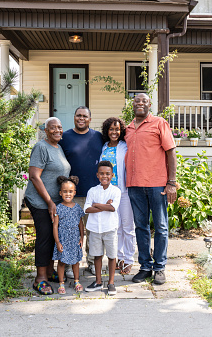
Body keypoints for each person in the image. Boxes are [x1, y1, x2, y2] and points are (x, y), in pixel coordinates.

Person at [125, 93, 177, 285]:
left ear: (149, 105)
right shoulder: (128, 128)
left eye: (144, 101)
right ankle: (145, 266)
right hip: (134, 185)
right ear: (133, 105)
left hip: (157, 185)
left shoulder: (159, 123)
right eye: (137, 101)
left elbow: (171, 152)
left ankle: (160, 267)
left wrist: (171, 182)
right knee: (140, 227)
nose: (140, 103)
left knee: (161, 227)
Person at [25, 117, 71, 295]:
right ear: (46, 130)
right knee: (45, 236)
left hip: (54, 201)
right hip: (40, 201)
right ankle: (40, 279)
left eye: (59, 127)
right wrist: (50, 203)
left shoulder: (58, 147)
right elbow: (34, 176)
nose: (57, 131)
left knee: (53, 236)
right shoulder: (41, 147)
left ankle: (50, 271)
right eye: (53, 128)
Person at [59, 106, 103, 276]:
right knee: (71, 230)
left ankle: (92, 262)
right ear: (74, 117)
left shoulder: (98, 137)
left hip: (94, 193)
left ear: (90, 119)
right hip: (72, 195)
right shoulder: (65, 137)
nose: (81, 118)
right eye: (78, 115)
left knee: (93, 230)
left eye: (85, 116)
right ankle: (69, 264)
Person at [100, 117, 136, 275]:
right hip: (109, 193)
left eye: (117, 129)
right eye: (111, 129)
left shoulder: (125, 146)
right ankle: (119, 257)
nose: (114, 132)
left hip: (124, 191)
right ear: (107, 131)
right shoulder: (104, 147)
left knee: (128, 227)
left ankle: (129, 259)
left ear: (121, 131)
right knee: (116, 227)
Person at [83, 161, 121, 296]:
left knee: (111, 255)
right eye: (102, 174)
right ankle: (98, 282)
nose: (105, 176)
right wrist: (104, 205)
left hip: (109, 228)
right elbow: (87, 209)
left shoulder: (116, 191)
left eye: (107, 174)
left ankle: (111, 283)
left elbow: (112, 208)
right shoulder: (92, 191)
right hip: (94, 228)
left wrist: (97, 205)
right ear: (97, 175)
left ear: (112, 175)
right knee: (97, 255)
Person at [52, 176, 85, 295]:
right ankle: (61, 283)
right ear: (60, 193)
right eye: (65, 191)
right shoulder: (58, 208)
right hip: (63, 239)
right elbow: (55, 226)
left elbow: (81, 224)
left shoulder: (77, 208)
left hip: (74, 238)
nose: (68, 194)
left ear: (74, 192)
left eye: (70, 191)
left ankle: (77, 281)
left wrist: (82, 237)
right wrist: (57, 242)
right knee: (61, 262)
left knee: (76, 261)